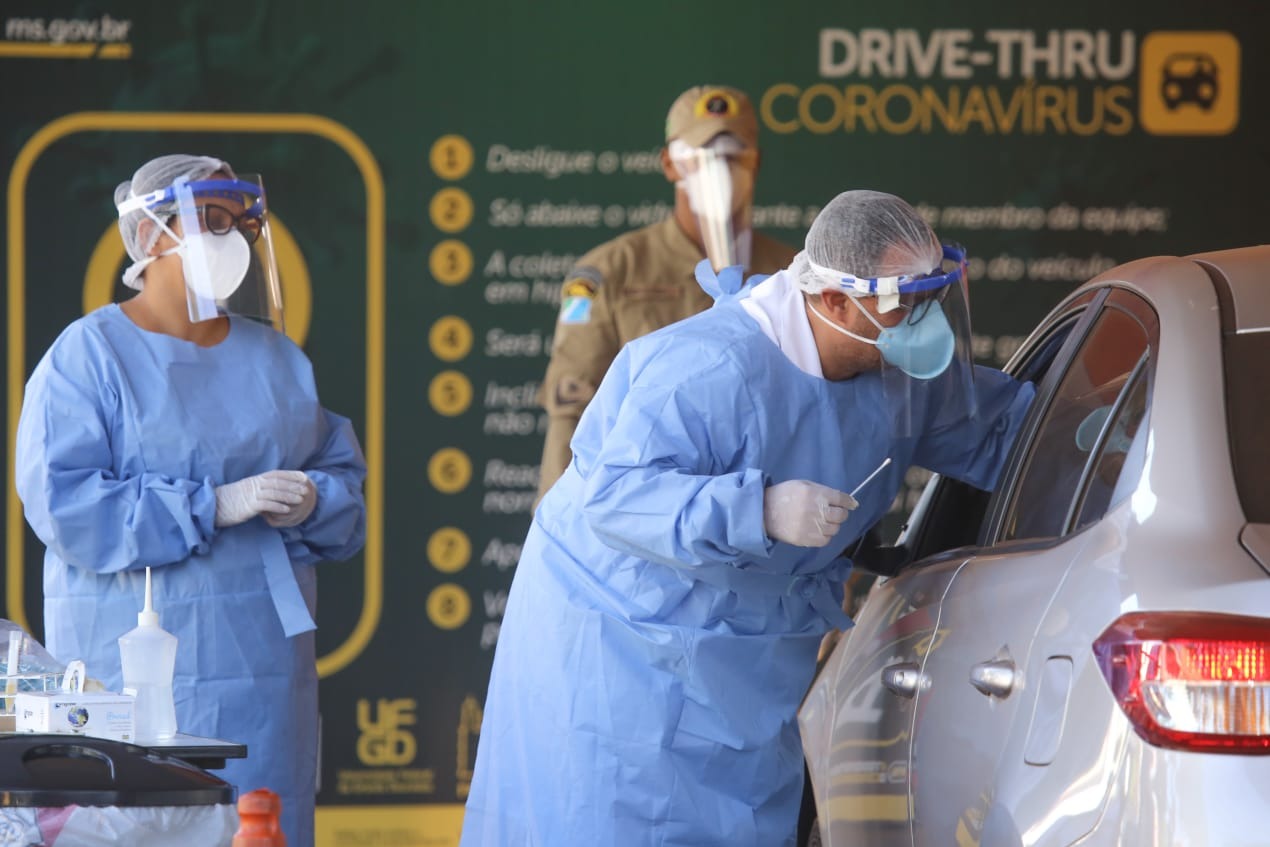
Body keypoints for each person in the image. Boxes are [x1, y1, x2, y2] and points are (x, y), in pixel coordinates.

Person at [460, 190, 1037, 846]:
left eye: (930, 298)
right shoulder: (706, 368)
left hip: (747, 647)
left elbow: (1006, 432)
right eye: (904, 303)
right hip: (623, 641)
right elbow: (616, 495)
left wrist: (1108, 432)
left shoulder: (890, 367)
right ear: (834, 301)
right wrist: (756, 508)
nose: (921, 322)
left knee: (740, 818)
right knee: (615, 816)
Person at [15, 154, 367, 847]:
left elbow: (342, 486)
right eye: (209, 220)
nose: (228, 239)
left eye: (236, 223)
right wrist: (212, 505)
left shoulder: (277, 361)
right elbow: (64, 504)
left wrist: (313, 501)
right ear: (150, 234)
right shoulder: (88, 358)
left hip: (262, 670)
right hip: (123, 670)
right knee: (133, 819)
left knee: (257, 820)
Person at [536, 84, 797, 501]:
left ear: (756, 162)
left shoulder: (793, 274)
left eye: (734, 155)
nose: (718, 169)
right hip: (641, 505)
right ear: (670, 164)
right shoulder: (605, 272)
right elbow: (572, 411)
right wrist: (559, 520)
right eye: (700, 155)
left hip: (762, 503)